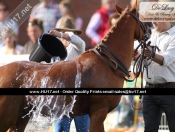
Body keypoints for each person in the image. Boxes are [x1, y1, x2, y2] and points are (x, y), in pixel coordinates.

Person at [48, 17, 90, 132]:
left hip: (79, 98)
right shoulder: (54, 51)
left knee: (83, 130)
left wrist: (62, 35)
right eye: (63, 32)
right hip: (61, 99)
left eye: (69, 33)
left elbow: (80, 42)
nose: (65, 35)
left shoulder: (78, 47)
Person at [133, 22, 175, 131]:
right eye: (152, 18)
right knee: (149, 129)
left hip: (170, 89)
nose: (153, 21)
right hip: (149, 90)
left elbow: (166, 60)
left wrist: (151, 54)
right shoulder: (149, 34)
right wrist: (137, 56)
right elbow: (144, 64)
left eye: (157, 18)